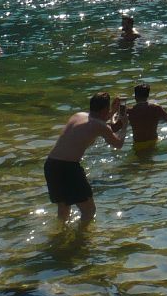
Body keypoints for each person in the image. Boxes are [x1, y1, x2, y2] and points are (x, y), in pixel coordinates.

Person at [44, 92, 128, 223]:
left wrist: (111, 112)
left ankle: (60, 237)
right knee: (89, 210)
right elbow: (118, 144)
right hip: (69, 168)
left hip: (51, 165)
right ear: (104, 109)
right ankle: (81, 241)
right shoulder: (100, 126)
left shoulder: (78, 116)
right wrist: (125, 125)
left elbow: (95, 122)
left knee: (64, 207)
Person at [127, 84, 167, 151]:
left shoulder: (130, 111)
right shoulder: (156, 108)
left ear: (135, 97)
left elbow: (117, 126)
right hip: (153, 141)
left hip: (138, 144)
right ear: (147, 96)